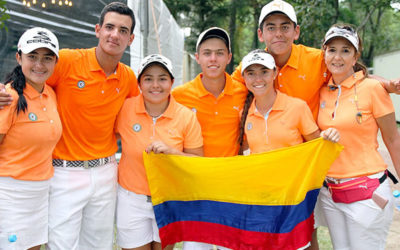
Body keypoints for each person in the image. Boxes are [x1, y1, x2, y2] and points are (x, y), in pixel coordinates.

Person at [0, 2, 139, 249]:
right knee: (62, 244)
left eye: (122, 30)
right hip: (63, 173)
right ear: (97, 30)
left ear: (131, 39)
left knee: (99, 244)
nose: (114, 35)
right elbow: (29, 78)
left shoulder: (128, 78)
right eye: (109, 27)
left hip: (106, 171)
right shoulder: (66, 61)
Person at [231, 0, 400, 121]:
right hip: (271, 150)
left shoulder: (316, 59)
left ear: (296, 31)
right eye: (271, 27)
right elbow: (227, 91)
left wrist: (389, 85)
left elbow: (357, 75)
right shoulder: (250, 67)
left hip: (310, 150)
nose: (278, 34)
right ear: (261, 34)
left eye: (285, 27)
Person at [238, 49, 339, 249]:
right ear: (244, 78)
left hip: (294, 198)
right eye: (251, 73)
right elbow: (244, 153)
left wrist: (327, 138)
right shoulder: (244, 113)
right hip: (263, 199)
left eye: (264, 72)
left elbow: (315, 146)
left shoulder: (297, 107)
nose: (258, 78)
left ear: (274, 73)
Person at [317, 24, 400, 250]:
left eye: (346, 50)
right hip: (331, 192)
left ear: (355, 56)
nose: (338, 56)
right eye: (332, 49)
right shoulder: (322, 90)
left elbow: (393, 140)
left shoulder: (373, 88)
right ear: (324, 53)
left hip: (368, 193)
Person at [115, 54, 203, 250]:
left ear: (172, 82)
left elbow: (198, 162)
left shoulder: (186, 117)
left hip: (168, 199)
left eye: (162, 78)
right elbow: (107, 138)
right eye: (148, 79)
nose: (155, 85)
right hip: (132, 199)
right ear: (139, 83)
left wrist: (173, 153)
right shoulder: (125, 109)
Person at [172, 27, 247, 250]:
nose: (213, 59)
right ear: (197, 57)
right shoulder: (180, 95)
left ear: (229, 57)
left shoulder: (243, 92)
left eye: (219, 52)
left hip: (231, 186)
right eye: (207, 53)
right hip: (195, 187)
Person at [0, 27, 61, 250]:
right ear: (19, 58)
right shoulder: (9, 97)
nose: (39, 64)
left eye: (47, 58)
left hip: (41, 192)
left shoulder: (50, 94)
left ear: (55, 62)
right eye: (32, 57)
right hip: (10, 194)